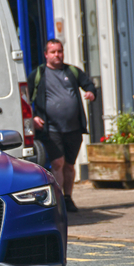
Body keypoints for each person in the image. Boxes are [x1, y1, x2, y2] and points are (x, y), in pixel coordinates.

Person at [28, 39, 97, 212]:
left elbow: (88, 84)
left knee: (69, 165)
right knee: (58, 162)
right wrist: (33, 117)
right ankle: (58, 202)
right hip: (51, 129)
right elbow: (25, 99)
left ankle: (68, 198)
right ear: (46, 55)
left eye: (59, 51)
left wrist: (90, 92)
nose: (57, 55)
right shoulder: (38, 74)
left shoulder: (72, 71)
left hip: (73, 128)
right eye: (53, 52)